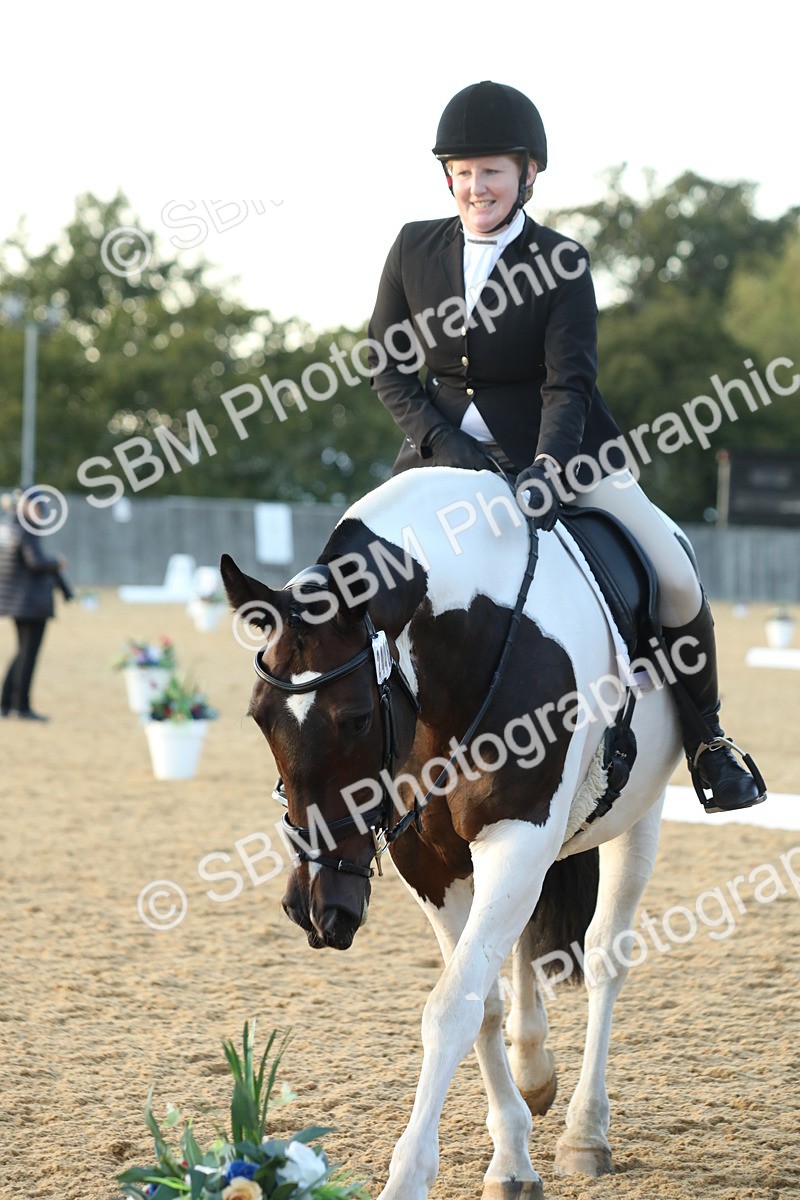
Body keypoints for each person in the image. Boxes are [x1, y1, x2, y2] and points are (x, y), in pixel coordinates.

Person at [368, 79, 765, 814]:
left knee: (676, 575)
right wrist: (442, 441)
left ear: (528, 173)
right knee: (349, 581)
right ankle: (337, 760)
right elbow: (386, 365)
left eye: (491, 170)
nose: (476, 186)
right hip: (439, 456)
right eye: (463, 171)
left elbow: (568, 381)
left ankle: (709, 742)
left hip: (565, 453)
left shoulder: (562, 259)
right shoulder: (412, 246)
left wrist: (548, 467)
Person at [0, 488, 73, 721]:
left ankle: (6, 703)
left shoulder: (8, 527)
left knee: (21, 653)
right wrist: (57, 563)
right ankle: (20, 706)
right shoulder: (25, 530)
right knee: (28, 655)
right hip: (29, 602)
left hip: (16, 600)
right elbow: (35, 562)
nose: (40, 512)